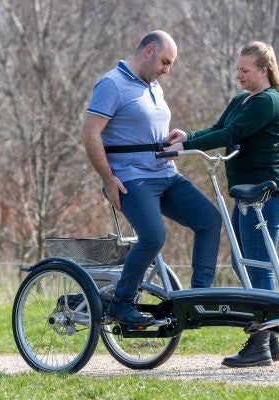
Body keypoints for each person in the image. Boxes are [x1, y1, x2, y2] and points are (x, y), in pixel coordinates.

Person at [166, 41, 279, 367]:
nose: (238, 76)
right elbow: (218, 128)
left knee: (257, 266)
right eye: (237, 69)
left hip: (268, 195)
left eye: (245, 71)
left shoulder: (267, 102)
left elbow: (230, 134)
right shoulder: (243, 99)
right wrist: (188, 136)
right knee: (249, 264)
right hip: (248, 195)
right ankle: (271, 339)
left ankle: (260, 345)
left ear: (263, 71)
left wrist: (183, 149)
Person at [80, 31, 221, 326]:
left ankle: (198, 297)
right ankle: (122, 303)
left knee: (210, 219)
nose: (167, 70)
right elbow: (90, 132)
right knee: (153, 237)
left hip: (166, 175)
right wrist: (107, 179)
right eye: (165, 62)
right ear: (148, 51)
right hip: (131, 179)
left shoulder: (153, 85)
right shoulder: (112, 84)